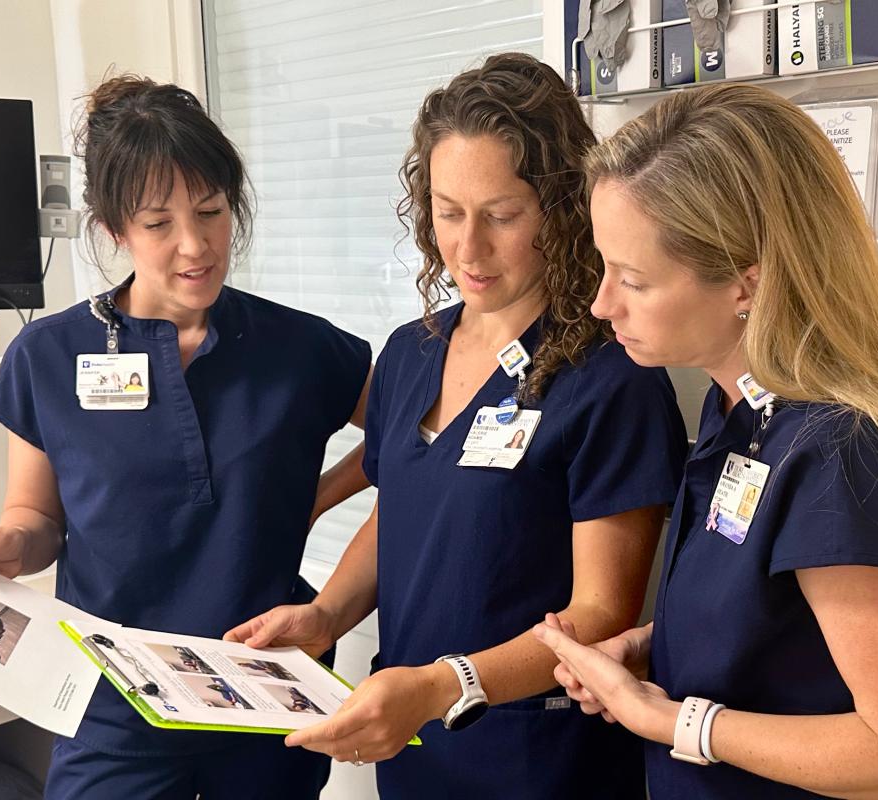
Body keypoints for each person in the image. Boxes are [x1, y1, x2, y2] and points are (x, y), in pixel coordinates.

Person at [227, 53, 687, 799]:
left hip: (537, 759)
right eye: (448, 212)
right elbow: (402, 506)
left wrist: (448, 684)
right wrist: (324, 615)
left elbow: (602, 612)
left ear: (562, 208)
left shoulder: (611, 378)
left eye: (502, 216)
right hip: (417, 750)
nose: (468, 249)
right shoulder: (412, 351)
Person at [533, 83, 878, 799]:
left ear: (746, 283)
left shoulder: (848, 458)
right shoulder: (741, 416)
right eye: (604, 268)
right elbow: (790, 629)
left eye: (633, 279)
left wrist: (666, 720)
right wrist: (658, 649)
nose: (601, 304)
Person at [0, 76, 371, 800]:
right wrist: (7, 544)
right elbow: (38, 521)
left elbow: (417, 446)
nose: (196, 245)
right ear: (115, 229)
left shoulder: (299, 349)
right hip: (115, 699)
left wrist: (313, 498)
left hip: (263, 691)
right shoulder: (49, 358)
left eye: (211, 212)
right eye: (158, 223)